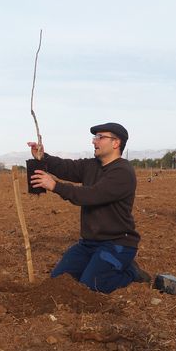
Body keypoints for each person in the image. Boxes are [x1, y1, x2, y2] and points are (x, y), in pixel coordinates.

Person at [27, 123, 149, 294]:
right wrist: (43, 157)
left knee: (92, 285)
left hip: (117, 244)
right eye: (94, 137)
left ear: (116, 143)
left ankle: (131, 272)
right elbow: (66, 167)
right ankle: (102, 265)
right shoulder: (92, 165)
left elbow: (91, 195)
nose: (94, 141)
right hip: (88, 243)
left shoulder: (123, 172)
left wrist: (55, 186)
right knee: (59, 281)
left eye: (100, 137)